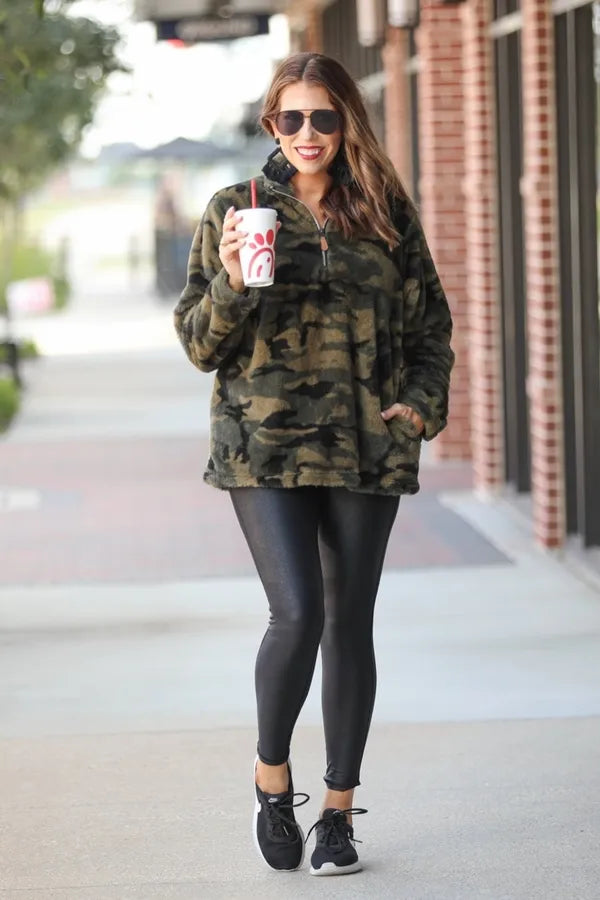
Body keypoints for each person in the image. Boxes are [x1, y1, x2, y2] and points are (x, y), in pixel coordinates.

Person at [174, 51, 454, 877]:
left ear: (346, 122)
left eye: (323, 117)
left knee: (349, 624)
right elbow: (199, 344)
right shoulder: (236, 208)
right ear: (272, 124)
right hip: (262, 445)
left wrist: (419, 405)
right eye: (291, 118)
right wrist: (232, 279)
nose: (307, 133)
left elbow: (431, 326)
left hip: (364, 446)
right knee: (296, 614)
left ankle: (337, 812)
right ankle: (272, 782)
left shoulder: (385, 211)